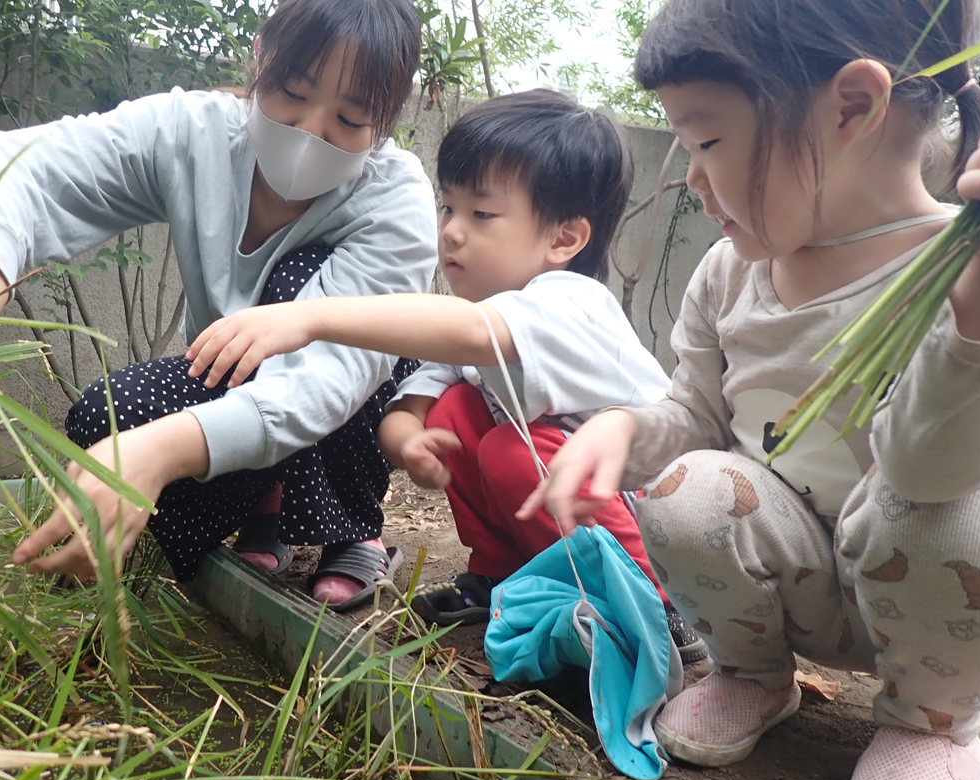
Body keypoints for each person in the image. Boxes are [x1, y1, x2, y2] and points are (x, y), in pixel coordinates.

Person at [519, 0, 980, 780]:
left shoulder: (961, 276)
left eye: (707, 140)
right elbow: (695, 419)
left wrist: (976, 326)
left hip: (935, 596)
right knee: (688, 488)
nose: (695, 179)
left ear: (851, 107)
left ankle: (934, 727)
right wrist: (622, 429)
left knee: (927, 499)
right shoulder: (730, 273)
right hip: (798, 581)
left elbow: (926, 465)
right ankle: (752, 674)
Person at [0, 0, 441, 610]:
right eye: (290, 92)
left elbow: (329, 378)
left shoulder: (391, 199)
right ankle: (266, 499)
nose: (311, 132)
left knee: (303, 288)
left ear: (385, 118)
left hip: (341, 397)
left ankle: (349, 527)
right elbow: (18, 166)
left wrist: (162, 450)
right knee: (106, 423)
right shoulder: (194, 134)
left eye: (350, 118)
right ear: (261, 56)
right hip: (230, 379)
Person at [187, 89, 707, 662]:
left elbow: (467, 330)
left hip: (649, 520)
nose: (453, 231)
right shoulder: (472, 325)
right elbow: (409, 410)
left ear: (564, 238)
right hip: (564, 502)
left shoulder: (572, 303)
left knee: (511, 446)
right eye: (449, 208)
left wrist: (307, 317)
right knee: (460, 412)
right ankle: (501, 576)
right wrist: (410, 442)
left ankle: (660, 609)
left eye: (482, 214)